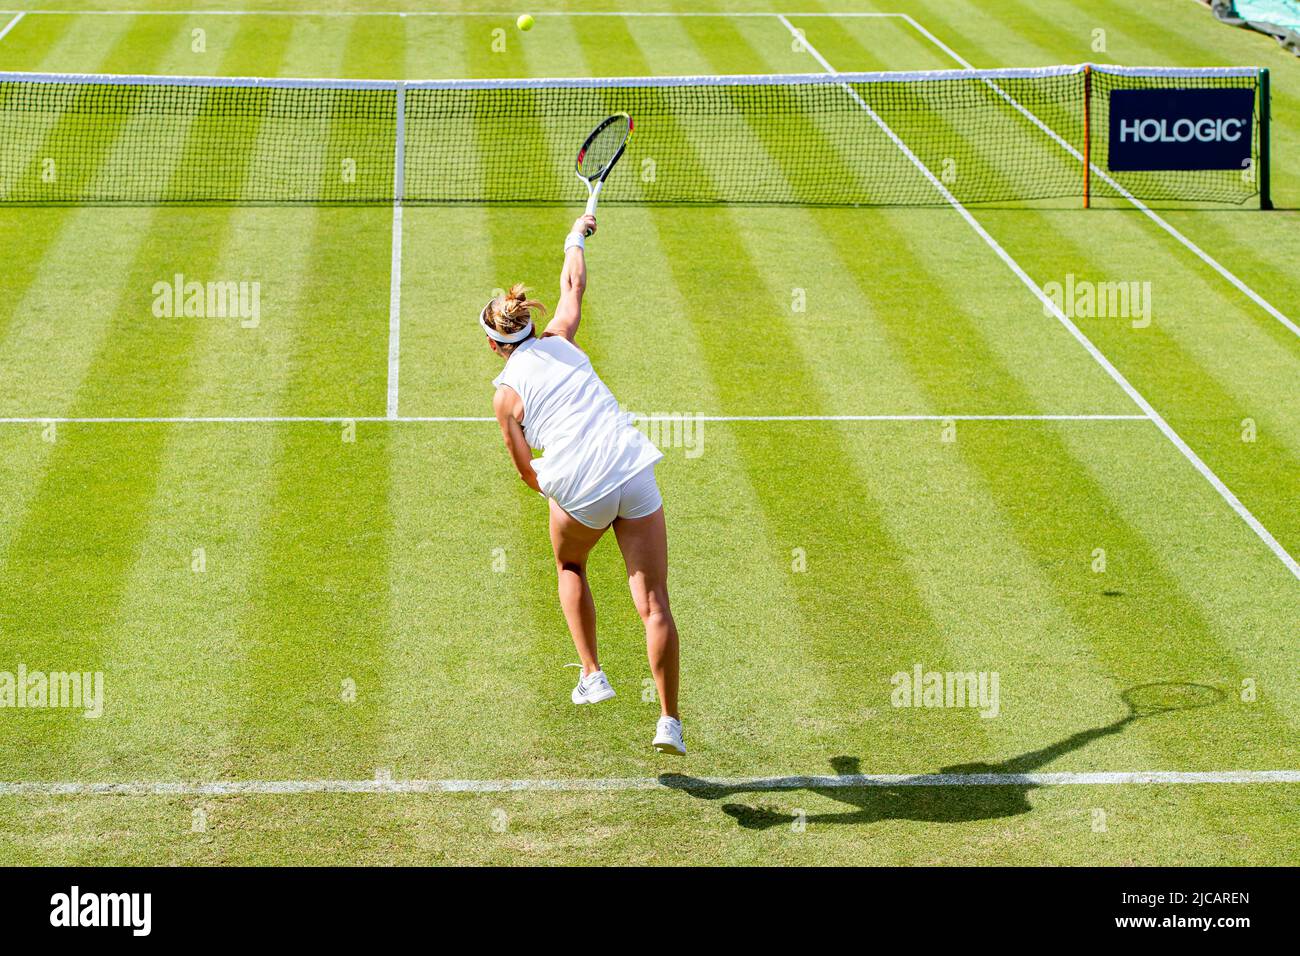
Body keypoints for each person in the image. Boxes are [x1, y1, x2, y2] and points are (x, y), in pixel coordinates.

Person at [479, 213, 684, 755]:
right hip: (631, 463)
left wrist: (563, 487)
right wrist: (576, 235)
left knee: (571, 564)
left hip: (578, 482)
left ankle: (592, 674)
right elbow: (573, 283)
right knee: (655, 603)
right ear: (526, 328)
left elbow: (527, 473)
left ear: (496, 345)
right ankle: (669, 723)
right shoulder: (561, 339)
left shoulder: (505, 396)